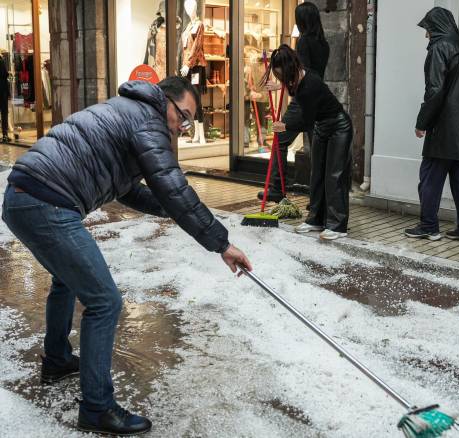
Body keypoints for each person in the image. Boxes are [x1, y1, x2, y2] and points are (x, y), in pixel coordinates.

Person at [2, 77, 253, 435]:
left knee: (66, 280)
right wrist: (222, 244)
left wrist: (174, 210)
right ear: (165, 101)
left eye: (188, 122)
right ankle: (96, 408)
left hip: (24, 196)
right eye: (183, 117)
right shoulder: (148, 120)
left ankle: (57, 360)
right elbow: (173, 186)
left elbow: (129, 190)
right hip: (45, 202)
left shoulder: (130, 112)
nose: (181, 128)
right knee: (105, 301)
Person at [403, 7, 459, 244]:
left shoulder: (440, 48)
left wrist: (422, 122)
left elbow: (435, 90)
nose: (426, 34)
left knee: (430, 178)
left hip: (444, 129)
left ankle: (429, 226)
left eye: (428, 29)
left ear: (436, 27)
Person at [264, 45, 352, 240]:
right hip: (321, 126)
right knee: (317, 174)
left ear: (291, 68)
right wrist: (281, 85)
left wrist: (285, 126)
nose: (282, 80)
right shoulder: (297, 78)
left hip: (339, 127)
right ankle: (315, 220)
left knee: (334, 176)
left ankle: (337, 226)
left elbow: (306, 121)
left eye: (282, 76)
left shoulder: (310, 83)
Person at [258, 1, 330, 202]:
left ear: (302, 21)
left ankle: (276, 188)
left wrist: (280, 85)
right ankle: (318, 200)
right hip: (319, 101)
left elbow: (302, 74)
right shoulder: (323, 44)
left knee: (279, 139)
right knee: (318, 152)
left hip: (303, 101)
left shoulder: (304, 42)